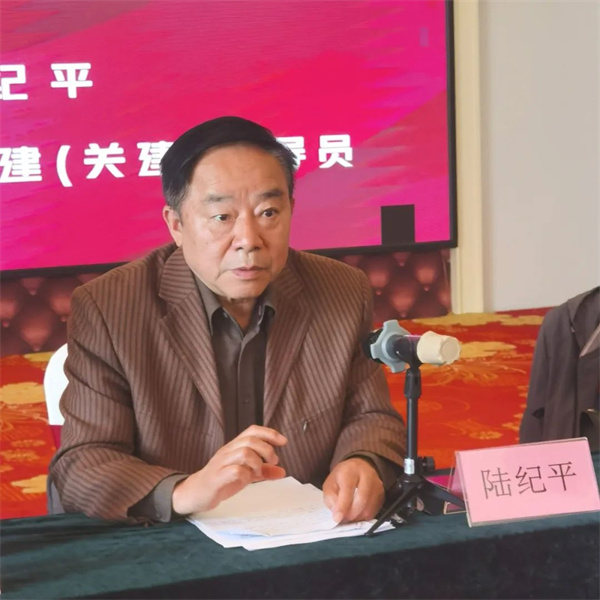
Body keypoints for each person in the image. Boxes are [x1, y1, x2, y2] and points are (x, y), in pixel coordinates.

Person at [49, 116, 406, 524]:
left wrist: (363, 461)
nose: (249, 239)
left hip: (306, 532)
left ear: (291, 210)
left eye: (268, 212)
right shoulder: (110, 307)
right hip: (176, 539)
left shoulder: (342, 290)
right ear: (177, 225)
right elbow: (83, 464)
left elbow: (370, 417)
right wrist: (185, 491)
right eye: (222, 217)